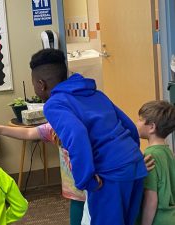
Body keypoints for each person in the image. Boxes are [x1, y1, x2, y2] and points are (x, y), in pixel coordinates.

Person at [29, 49, 148, 225]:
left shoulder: (54, 104)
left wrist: (85, 179)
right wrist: (131, 155)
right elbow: (128, 124)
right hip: (134, 165)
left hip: (111, 174)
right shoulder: (95, 94)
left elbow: (76, 134)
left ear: (41, 84)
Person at [0, 122, 86, 225]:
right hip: (77, 192)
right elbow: (29, 133)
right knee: (78, 212)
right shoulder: (57, 125)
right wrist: (0, 129)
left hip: (96, 186)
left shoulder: (92, 123)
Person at [135, 100, 175, 225]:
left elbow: (151, 198)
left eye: (140, 120)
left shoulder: (150, 155)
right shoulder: (168, 152)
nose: (137, 123)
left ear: (152, 127)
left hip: (157, 219)